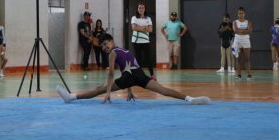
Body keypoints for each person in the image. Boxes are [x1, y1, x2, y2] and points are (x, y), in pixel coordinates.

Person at [57, 33, 211, 105]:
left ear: (112, 41)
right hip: (139, 76)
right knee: (164, 90)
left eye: (106, 44)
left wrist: (109, 92)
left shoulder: (113, 53)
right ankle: (189, 99)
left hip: (132, 78)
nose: (104, 48)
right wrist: (129, 90)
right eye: (102, 46)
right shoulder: (125, 50)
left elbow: (111, 73)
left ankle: (71, 97)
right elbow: (128, 70)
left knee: (100, 89)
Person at [131, 2, 156, 80]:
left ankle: (152, 75)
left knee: (148, 58)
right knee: (138, 59)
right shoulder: (134, 18)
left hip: (145, 41)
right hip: (136, 41)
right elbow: (134, 28)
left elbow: (150, 29)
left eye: (142, 8)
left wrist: (139, 27)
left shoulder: (148, 18)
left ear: (145, 9)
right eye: (139, 8)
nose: (141, 9)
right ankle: (139, 75)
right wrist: (145, 27)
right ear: (137, 9)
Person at [232, 7, 253, 79]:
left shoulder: (248, 22)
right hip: (237, 40)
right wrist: (244, 30)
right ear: (237, 14)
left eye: (242, 13)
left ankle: (249, 74)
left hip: (246, 40)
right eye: (239, 13)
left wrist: (240, 30)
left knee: (247, 58)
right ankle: (239, 74)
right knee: (238, 58)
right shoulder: (235, 22)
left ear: (244, 14)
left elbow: (249, 31)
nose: (241, 14)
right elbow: (235, 30)